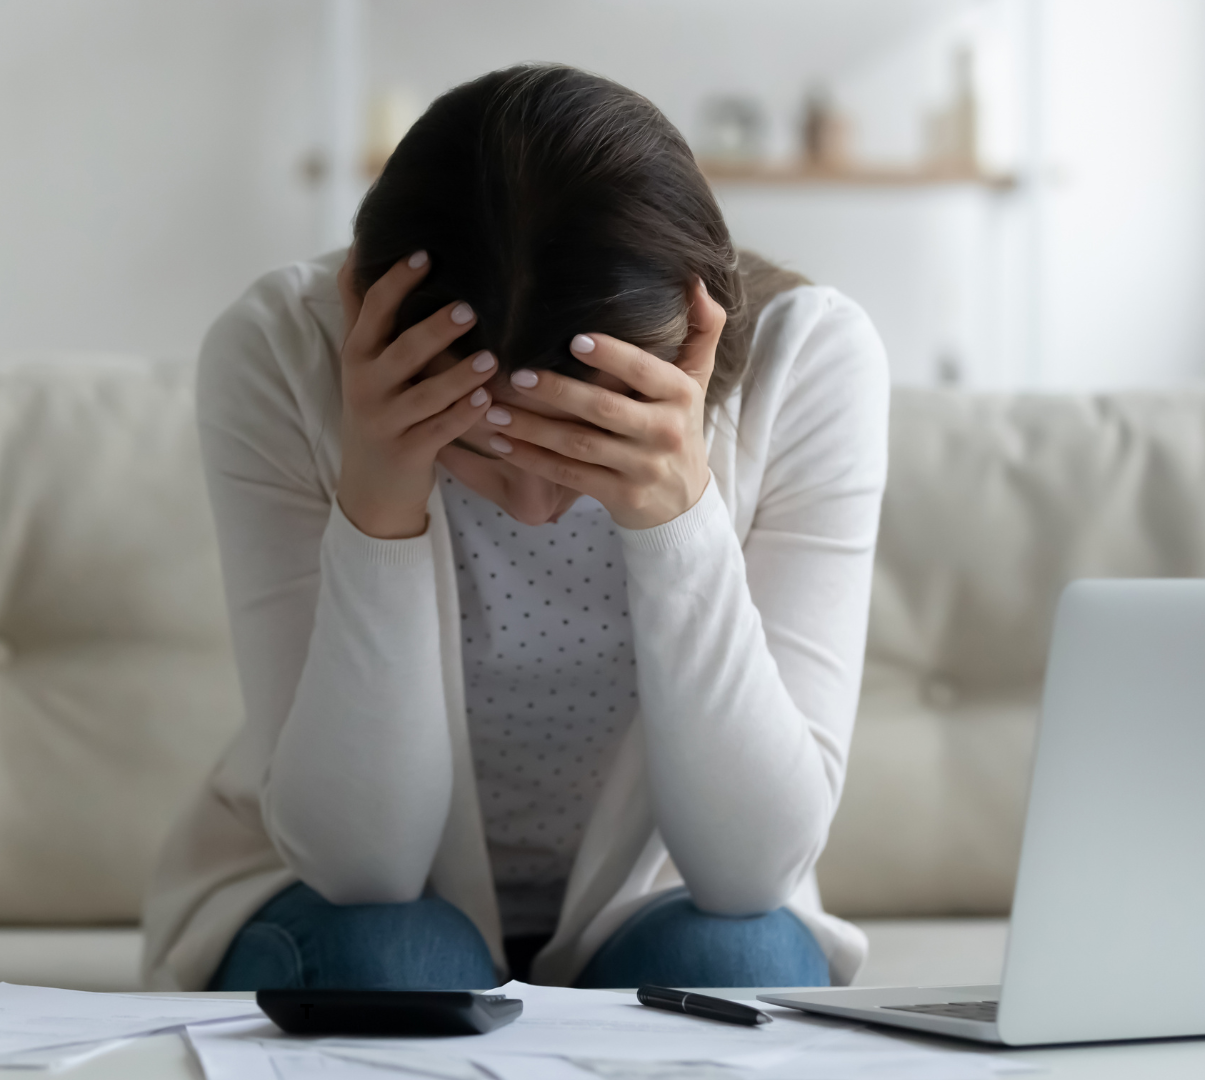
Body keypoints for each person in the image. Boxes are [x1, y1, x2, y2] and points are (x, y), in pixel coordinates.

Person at [142, 64, 888, 991]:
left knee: (741, 959)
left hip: (669, 901)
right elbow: (361, 869)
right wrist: (379, 504)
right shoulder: (283, 356)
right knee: (401, 959)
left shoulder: (807, 358)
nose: (533, 505)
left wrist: (677, 520)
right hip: (332, 903)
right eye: (479, 451)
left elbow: (751, 875)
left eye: (588, 446)